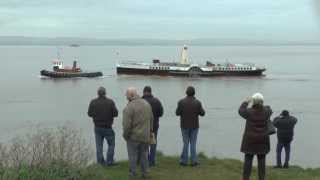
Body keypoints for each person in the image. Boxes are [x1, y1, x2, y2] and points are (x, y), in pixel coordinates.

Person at [238, 93, 272, 180]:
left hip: (250, 141)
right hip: (263, 141)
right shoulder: (267, 112)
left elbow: (240, 110)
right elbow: (269, 108)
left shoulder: (248, 112)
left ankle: (246, 178)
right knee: (261, 162)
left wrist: (246, 102)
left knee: (248, 162)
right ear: (262, 102)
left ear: (253, 102)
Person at [123, 87, 154, 178]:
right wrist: (150, 131)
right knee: (144, 155)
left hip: (134, 137)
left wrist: (125, 136)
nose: (126, 97)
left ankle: (132, 174)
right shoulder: (146, 104)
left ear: (131, 95)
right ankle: (146, 173)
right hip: (145, 135)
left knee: (133, 156)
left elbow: (126, 126)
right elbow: (151, 119)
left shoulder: (129, 107)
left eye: (127, 95)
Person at [88, 86, 118, 166]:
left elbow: (89, 114)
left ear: (98, 93)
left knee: (99, 146)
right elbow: (116, 114)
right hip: (108, 128)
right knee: (111, 145)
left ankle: (100, 162)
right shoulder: (110, 102)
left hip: (97, 127)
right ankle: (109, 161)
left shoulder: (93, 102)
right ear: (105, 93)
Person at [176, 86, 205, 166]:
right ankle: (194, 161)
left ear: (186, 92)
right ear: (194, 93)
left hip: (184, 125)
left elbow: (177, 113)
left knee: (185, 143)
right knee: (193, 143)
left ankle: (184, 161)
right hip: (195, 126)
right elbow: (203, 113)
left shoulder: (181, 102)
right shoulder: (198, 102)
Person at [142, 86, 164, 167]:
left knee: (144, 144)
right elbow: (161, 113)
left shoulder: (140, 101)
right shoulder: (156, 101)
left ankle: (145, 160)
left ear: (144, 92)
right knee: (153, 143)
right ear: (151, 92)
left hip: (142, 127)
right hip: (153, 127)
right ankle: (152, 161)